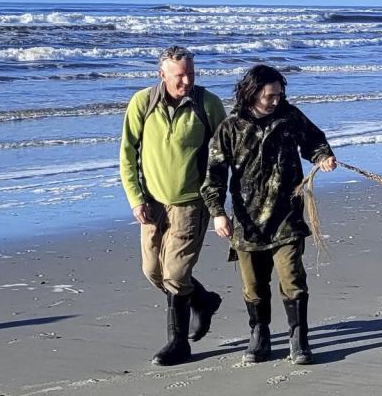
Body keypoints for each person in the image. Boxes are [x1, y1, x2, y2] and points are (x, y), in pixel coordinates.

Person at [201, 64, 337, 365]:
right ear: (252, 93)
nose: (276, 100)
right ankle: (259, 335)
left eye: (279, 93)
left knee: (292, 278)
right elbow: (214, 175)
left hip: (287, 215)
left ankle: (298, 339)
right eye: (270, 96)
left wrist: (323, 156)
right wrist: (218, 213)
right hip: (247, 222)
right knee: (253, 286)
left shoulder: (289, 117)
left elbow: (314, 141)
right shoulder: (230, 128)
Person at [119, 46, 227, 366]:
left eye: (191, 73)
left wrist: (219, 201)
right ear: (162, 74)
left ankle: (178, 343)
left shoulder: (208, 104)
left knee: (176, 274)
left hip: (191, 203)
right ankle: (204, 301)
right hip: (152, 204)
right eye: (179, 75)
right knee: (153, 271)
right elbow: (127, 154)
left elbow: (226, 152)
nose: (186, 80)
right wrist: (135, 198)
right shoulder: (142, 102)